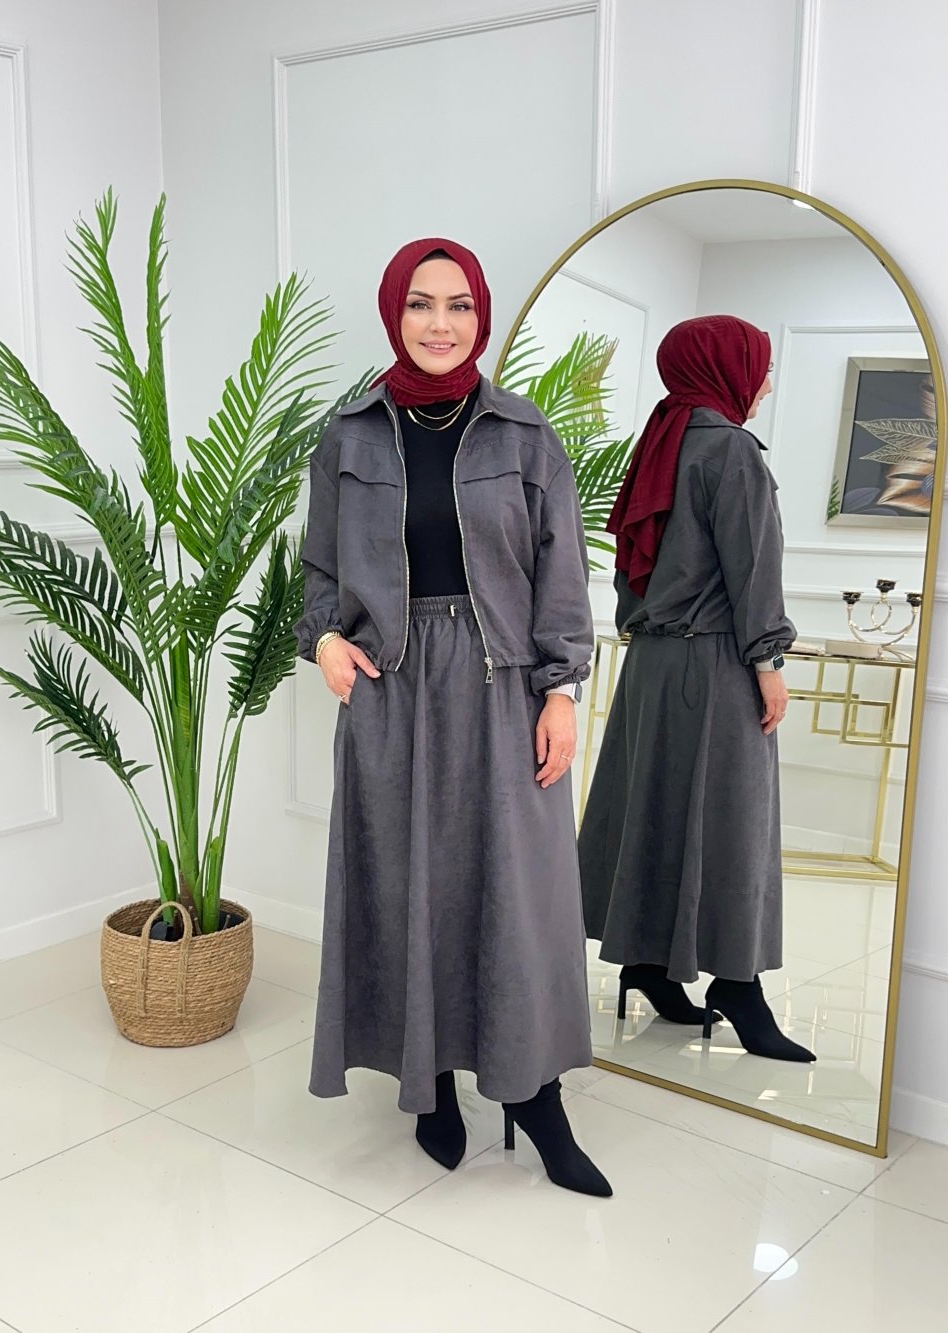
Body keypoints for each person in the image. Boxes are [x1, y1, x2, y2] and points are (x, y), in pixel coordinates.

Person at [296, 237, 612, 1196]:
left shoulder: (524, 434)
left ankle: (535, 1094)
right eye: (421, 304)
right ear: (394, 313)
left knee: (519, 891)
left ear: (481, 315)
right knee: (405, 885)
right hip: (390, 687)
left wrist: (560, 690)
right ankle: (429, 1080)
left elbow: (562, 571)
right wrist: (325, 641)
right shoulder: (349, 435)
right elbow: (318, 571)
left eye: (460, 305)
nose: (441, 324)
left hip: (501, 682)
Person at [577, 315, 815, 1064]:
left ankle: (648, 963)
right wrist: (768, 663)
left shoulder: (661, 443)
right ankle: (738, 984)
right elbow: (753, 568)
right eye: (761, 365)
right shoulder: (731, 450)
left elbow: (630, 569)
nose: (767, 382)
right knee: (735, 825)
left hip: (648, 667)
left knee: (653, 812)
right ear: (725, 368)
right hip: (716, 665)